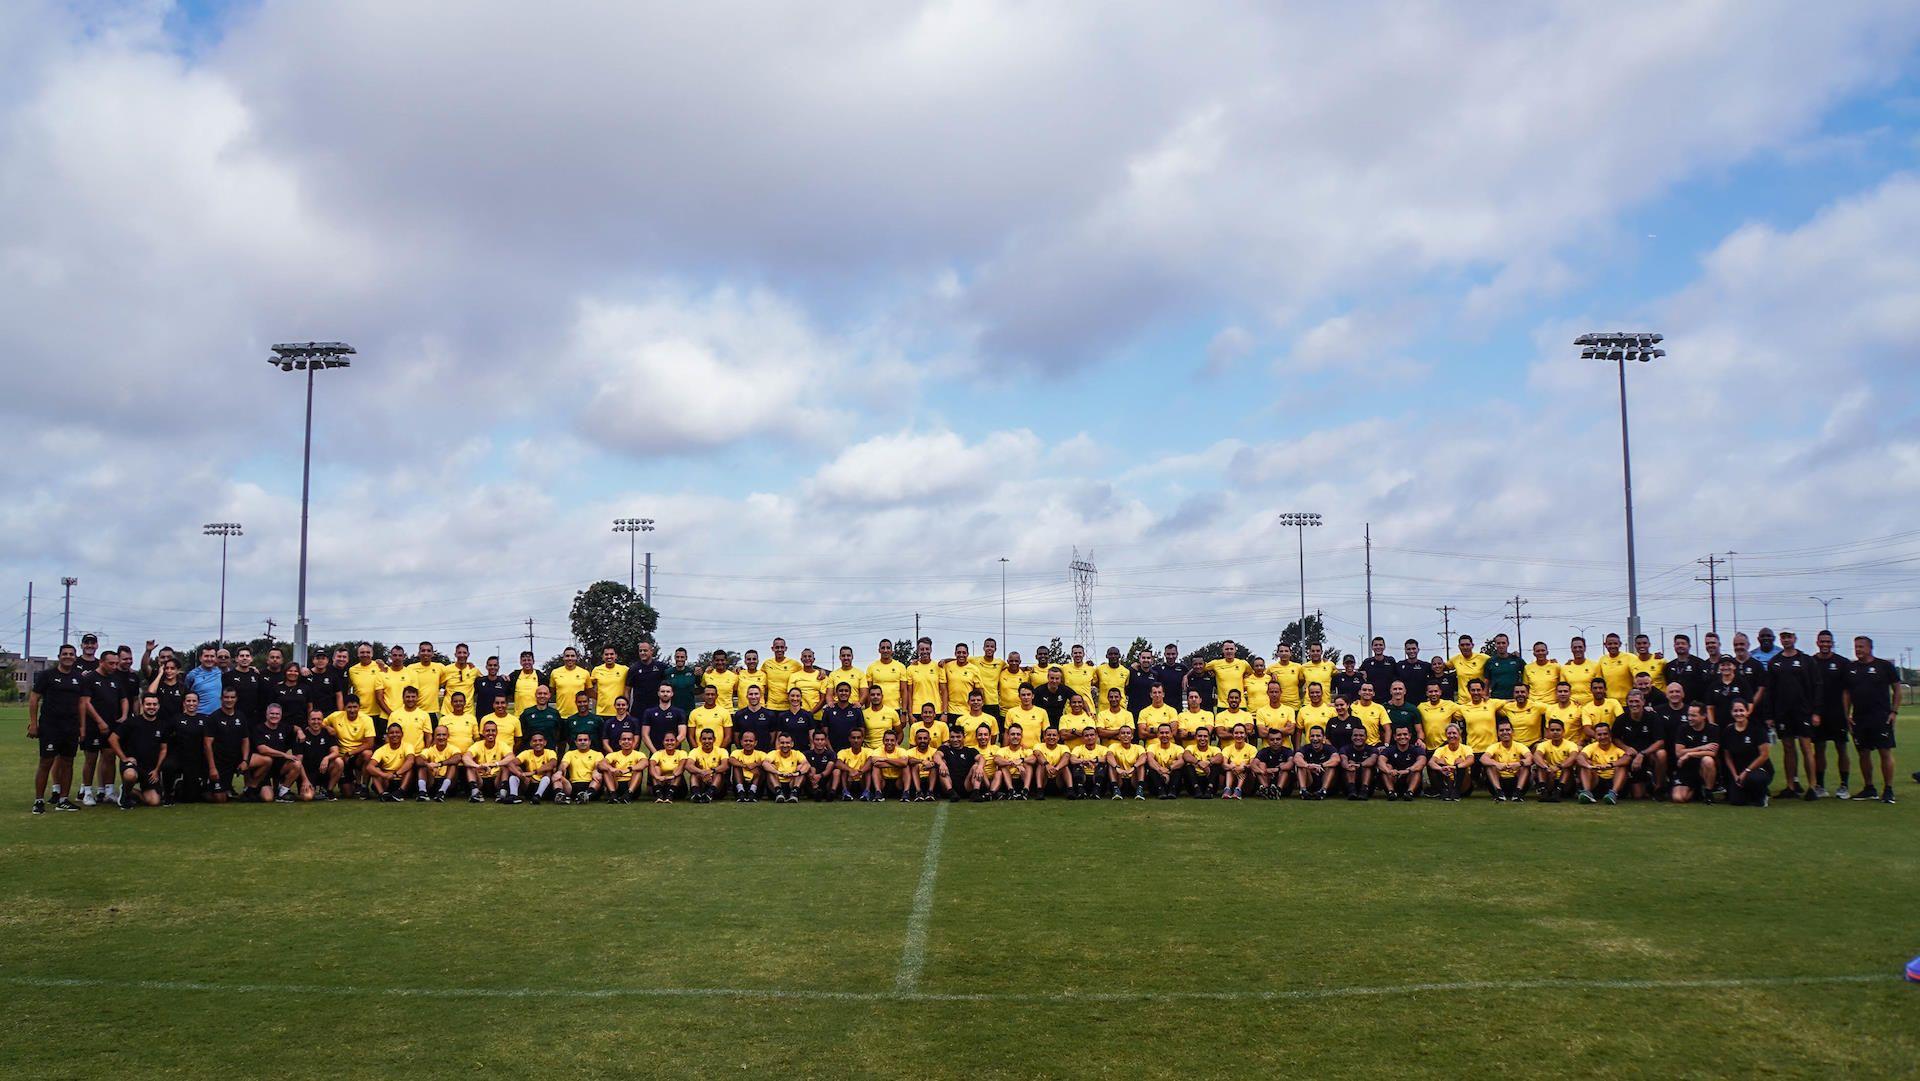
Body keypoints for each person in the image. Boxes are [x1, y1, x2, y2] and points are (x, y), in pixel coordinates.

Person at [29, 643, 87, 813]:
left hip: (71, 727)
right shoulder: (47, 675)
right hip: (50, 726)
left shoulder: (79, 678)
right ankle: (39, 801)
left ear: (75, 657)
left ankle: (63, 799)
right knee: (46, 762)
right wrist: (33, 723)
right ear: (59, 656)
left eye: (71, 654)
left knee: (68, 762)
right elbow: (34, 700)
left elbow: (82, 704)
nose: (68, 656)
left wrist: (82, 727)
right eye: (65, 654)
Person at [1843, 635, 1900, 803]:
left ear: (1870, 648)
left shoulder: (1884, 666)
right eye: (1856, 647)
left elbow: (1897, 689)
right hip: (1860, 718)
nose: (1858, 650)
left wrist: (1894, 712)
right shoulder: (1851, 668)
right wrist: (1847, 714)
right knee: (1863, 753)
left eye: (1861, 646)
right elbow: (1846, 693)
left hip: (1881, 717)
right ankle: (1869, 788)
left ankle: (1888, 789)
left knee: (1885, 752)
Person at [78, 649, 128, 806]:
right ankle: (87, 792)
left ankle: (108, 791)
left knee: (109, 757)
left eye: (116, 663)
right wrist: (99, 721)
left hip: (112, 725)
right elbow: (86, 702)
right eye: (111, 663)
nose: (114, 666)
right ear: (101, 662)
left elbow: (124, 698)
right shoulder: (90, 678)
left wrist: (125, 715)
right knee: (91, 759)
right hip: (94, 726)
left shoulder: (115, 678)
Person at [1809, 630, 1853, 799]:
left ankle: (1844, 785)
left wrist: (1847, 713)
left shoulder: (1842, 662)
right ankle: (1820, 785)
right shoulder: (1811, 662)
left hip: (1838, 714)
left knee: (1841, 748)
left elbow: (1847, 691)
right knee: (1819, 748)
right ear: (1817, 642)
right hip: (1818, 714)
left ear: (1832, 643)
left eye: (1828, 641)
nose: (1825, 644)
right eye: (1822, 641)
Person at [109, 693, 171, 809]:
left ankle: (129, 791)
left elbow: (163, 749)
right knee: (130, 775)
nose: (151, 707)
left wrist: (157, 770)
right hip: (133, 765)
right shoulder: (132, 722)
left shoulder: (162, 725)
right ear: (142, 705)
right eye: (148, 704)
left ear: (158, 706)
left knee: (154, 801)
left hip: (150, 769)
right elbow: (112, 739)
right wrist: (124, 758)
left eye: (154, 704)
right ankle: (126, 796)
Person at [1609, 690, 1667, 799]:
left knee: (1662, 754)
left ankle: (1659, 788)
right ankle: (1648, 781)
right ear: (1627, 703)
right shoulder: (1621, 719)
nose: (1634, 704)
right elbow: (1615, 738)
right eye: (1631, 701)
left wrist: (1642, 754)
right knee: (1638, 795)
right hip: (1631, 757)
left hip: (1649, 755)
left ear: (1643, 702)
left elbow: (1660, 741)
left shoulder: (1652, 717)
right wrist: (1626, 748)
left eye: (1636, 701)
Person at [1720, 700, 1772, 807]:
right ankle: (1751, 793)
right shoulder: (1728, 731)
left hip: (1758, 769)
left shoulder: (1757, 728)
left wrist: (1746, 771)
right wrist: (1734, 775)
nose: (1739, 713)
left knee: (1754, 779)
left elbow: (1764, 755)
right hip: (1739, 772)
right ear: (1731, 713)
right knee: (1736, 801)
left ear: (1747, 712)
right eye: (1735, 711)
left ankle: (1763, 793)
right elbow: (1727, 756)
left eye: (1741, 710)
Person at [205, 688, 251, 801]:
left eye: (232, 697)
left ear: (236, 699)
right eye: (226, 697)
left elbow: (245, 740)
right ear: (221, 699)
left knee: (264, 761)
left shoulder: (241, 716)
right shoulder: (213, 717)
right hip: (219, 762)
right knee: (220, 799)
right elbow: (207, 744)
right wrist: (212, 768)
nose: (229, 700)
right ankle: (205, 790)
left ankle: (250, 790)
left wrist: (245, 760)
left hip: (236, 760)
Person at [1669, 703, 1720, 805]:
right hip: (1686, 768)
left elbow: (1713, 753)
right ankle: (1696, 790)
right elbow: (1679, 752)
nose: (1690, 718)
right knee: (1678, 798)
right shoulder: (1683, 729)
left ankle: (1708, 793)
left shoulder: (1713, 729)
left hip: (1702, 769)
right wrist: (1702, 747)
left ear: (1704, 716)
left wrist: (1689, 754)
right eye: (1689, 715)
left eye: (1694, 715)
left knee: (1708, 760)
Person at [1575, 722, 1629, 805]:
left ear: (1610, 735)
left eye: (1605, 734)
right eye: (1599, 734)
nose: (1603, 737)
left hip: (1613, 780)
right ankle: (1587, 793)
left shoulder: (1616, 747)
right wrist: (1590, 766)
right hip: (1597, 780)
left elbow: (1627, 758)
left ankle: (1613, 794)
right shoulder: (1591, 747)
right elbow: (1580, 757)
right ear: (1595, 736)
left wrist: (1610, 765)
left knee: (1622, 766)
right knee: (1585, 764)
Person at [295, 708, 341, 802]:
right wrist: (305, 780)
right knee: (307, 797)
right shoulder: (302, 736)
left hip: (323, 771)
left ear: (322, 720)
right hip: (307, 774)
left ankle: (328, 790)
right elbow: (298, 762)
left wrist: (326, 758)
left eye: (319, 719)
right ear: (308, 721)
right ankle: (313, 789)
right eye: (313, 719)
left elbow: (336, 752)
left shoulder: (327, 734)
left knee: (339, 762)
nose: (316, 722)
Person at [463, 721, 515, 803]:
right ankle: (475, 793)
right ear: (483, 732)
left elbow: (511, 757)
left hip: (496, 780)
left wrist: (494, 764)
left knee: (506, 765)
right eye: (487, 731)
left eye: (493, 731)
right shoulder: (478, 745)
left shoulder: (502, 744)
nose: (490, 733)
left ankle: (502, 793)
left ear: (497, 732)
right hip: (480, 780)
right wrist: (478, 766)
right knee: (470, 766)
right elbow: (465, 757)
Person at [1531, 718, 1581, 802]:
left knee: (1568, 766)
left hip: (1566, 782)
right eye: (1552, 730)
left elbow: (1573, 757)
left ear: (1563, 731)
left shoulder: (1571, 744)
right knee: (1540, 766)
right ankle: (1543, 791)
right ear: (1548, 732)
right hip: (1550, 777)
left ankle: (1558, 791)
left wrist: (1559, 767)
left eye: (1558, 730)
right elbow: (1537, 755)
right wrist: (1547, 768)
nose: (1555, 732)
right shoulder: (1543, 745)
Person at [1481, 719, 1530, 802]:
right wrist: (1496, 764)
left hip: (1516, 781)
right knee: (1489, 766)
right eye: (1501, 730)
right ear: (1497, 733)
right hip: (1499, 782)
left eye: (1507, 730)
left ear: (1512, 732)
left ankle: (1518, 793)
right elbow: (1483, 758)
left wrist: (1518, 763)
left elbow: (1530, 759)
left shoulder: (1519, 746)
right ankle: (1499, 793)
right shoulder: (1494, 746)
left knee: (1525, 766)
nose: (1505, 732)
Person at [365, 723, 415, 802]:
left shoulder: (408, 746)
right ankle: (382, 794)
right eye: (391, 733)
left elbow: (410, 761)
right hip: (387, 780)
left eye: (397, 732)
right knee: (375, 770)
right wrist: (384, 775)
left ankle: (400, 792)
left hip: (401, 778)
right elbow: (369, 767)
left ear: (402, 734)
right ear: (387, 735)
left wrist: (396, 774)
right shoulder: (381, 750)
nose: (394, 735)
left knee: (410, 769)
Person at [1376, 727, 1426, 801]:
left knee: (1416, 770)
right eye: (1399, 735)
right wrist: (1389, 771)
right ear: (1395, 737)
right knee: (1387, 766)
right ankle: (1391, 792)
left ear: (1410, 736)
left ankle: (1410, 793)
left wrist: (1408, 770)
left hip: (1410, 781)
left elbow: (1422, 761)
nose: (1402, 737)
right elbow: (1380, 761)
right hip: (1394, 780)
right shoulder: (1389, 749)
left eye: (1405, 734)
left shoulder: (1417, 749)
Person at [1427, 724, 1475, 801]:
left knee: (1460, 761)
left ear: (1459, 734)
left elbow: (1471, 760)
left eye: (1454, 733)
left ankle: (1457, 791)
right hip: (1448, 780)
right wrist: (1441, 768)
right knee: (1439, 761)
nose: (1451, 735)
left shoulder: (1466, 748)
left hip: (1464, 784)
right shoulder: (1441, 749)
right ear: (1446, 735)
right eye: (1449, 733)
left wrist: (1456, 767)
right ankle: (1445, 791)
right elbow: (1431, 762)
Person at [415, 725, 462, 802]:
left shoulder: (453, 748)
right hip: (432, 781)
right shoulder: (430, 750)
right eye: (438, 735)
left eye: (444, 735)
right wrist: (428, 765)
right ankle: (422, 792)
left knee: (453, 765)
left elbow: (458, 758)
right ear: (434, 736)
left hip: (448, 782)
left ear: (448, 736)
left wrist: (439, 764)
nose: (441, 737)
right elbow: (418, 760)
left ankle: (442, 792)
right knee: (422, 765)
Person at [510, 732, 559, 804]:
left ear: (545, 743)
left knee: (549, 771)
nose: (537, 743)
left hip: (545, 785)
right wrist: (520, 774)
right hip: (529, 784)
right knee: (516, 769)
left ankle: (538, 796)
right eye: (535, 741)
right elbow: (511, 763)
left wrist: (533, 772)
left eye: (540, 740)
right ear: (531, 743)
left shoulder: (550, 752)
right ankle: (513, 796)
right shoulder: (526, 753)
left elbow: (553, 764)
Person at [598, 730, 647, 804]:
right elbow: (601, 764)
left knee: (638, 770)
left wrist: (629, 769)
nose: (626, 741)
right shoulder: (613, 755)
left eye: (629, 739)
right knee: (606, 769)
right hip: (616, 784)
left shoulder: (639, 754)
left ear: (633, 742)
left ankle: (628, 795)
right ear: (620, 742)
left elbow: (645, 763)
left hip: (631, 784)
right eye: (624, 739)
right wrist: (613, 769)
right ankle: (613, 795)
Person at [683, 730, 730, 804]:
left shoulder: (722, 751)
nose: (707, 741)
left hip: (717, 786)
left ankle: (709, 794)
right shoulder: (695, 751)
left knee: (719, 773)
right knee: (694, 774)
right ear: (700, 739)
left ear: (714, 739)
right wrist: (702, 772)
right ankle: (696, 794)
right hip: (702, 781)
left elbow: (725, 766)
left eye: (710, 739)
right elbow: (688, 765)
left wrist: (711, 771)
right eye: (704, 739)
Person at [1292, 726, 1339, 800]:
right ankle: (1303, 791)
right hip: (1310, 781)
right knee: (1300, 765)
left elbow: (1336, 759)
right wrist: (1308, 766)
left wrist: (1321, 765)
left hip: (1325, 779)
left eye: (1318, 736)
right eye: (1312, 736)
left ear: (1323, 737)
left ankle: (1323, 791)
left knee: (1331, 766)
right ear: (1309, 737)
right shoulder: (1305, 748)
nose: (1315, 739)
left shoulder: (1330, 748)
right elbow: (1296, 758)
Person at [638, 683, 685, 756]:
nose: (665, 694)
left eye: (668, 691)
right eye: (662, 691)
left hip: (674, 754)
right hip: (655, 753)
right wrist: (656, 754)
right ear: (658, 693)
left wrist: (670, 749)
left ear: (672, 694)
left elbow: (682, 734)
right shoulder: (649, 712)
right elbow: (645, 735)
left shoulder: (679, 712)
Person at [558, 732, 606, 804]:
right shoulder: (570, 754)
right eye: (580, 740)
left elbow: (598, 765)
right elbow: (564, 764)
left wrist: (596, 770)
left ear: (589, 742)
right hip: (573, 785)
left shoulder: (597, 754)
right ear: (576, 742)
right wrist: (561, 770)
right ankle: (559, 796)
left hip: (590, 784)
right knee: (556, 776)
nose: (582, 742)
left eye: (585, 740)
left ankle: (586, 796)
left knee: (599, 776)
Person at [903, 728, 949, 802]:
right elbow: (907, 761)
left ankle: (930, 792)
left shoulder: (935, 751)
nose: (922, 741)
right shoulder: (909, 752)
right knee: (915, 765)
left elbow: (942, 760)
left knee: (934, 766)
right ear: (915, 740)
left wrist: (931, 764)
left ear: (929, 739)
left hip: (931, 780)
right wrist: (922, 761)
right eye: (920, 738)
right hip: (915, 781)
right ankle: (918, 792)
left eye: (925, 738)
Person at [940, 728, 982, 804]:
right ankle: (951, 793)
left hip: (966, 785)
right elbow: (937, 755)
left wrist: (980, 767)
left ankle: (976, 793)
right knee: (941, 762)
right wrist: (942, 764)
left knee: (976, 766)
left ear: (964, 737)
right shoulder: (945, 749)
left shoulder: (970, 750)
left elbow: (981, 758)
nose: (955, 739)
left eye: (958, 737)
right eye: (952, 737)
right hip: (949, 785)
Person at [647, 731, 690, 803]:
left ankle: (669, 796)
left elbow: (681, 768)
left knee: (677, 770)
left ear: (676, 742)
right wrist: (658, 777)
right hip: (662, 784)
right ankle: (659, 795)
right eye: (667, 740)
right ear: (663, 742)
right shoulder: (658, 753)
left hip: (677, 787)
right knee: (656, 768)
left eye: (672, 740)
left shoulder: (682, 753)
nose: (669, 742)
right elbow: (651, 766)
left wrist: (671, 777)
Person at [1144, 724, 1185, 799]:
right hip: (1157, 783)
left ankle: (1172, 791)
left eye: (1167, 732)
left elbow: (1182, 761)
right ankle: (1161, 791)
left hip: (1173, 782)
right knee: (1152, 770)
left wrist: (1168, 769)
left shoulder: (1178, 748)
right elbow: (1150, 759)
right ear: (1157, 735)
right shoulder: (1152, 747)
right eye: (1162, 733)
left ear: (1171, 734)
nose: (1164, 735)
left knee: (1178, 769)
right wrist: (1161, 771)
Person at [1251, 727, 1294, 799]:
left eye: (1278, 739)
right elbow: (1253, 764)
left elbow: (1291, 763)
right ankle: (1266, 789)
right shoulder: (1264, 751)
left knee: (1284, 766)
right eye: (1272, 739)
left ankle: (1278, 790)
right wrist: (1263, 771)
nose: (1275, 742)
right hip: (1268, 779)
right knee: (1261, 764)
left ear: (1282, 740)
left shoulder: (1287, 751)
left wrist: (1277, 769)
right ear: (1268, 741)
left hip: (1284, 785)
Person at [1218, 723, 1257, 800]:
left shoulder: (1252, 748)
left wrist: (1242, 768)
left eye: (1242, 733)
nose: (1239, 735)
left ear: (1246, 735)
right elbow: (1224, 764)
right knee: (1231, 764)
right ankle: (1228, 789)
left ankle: (1238, 789)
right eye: (1236, 733)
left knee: (1243, 765)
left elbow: (1252, 765)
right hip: (1231, 777)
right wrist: (1233, 767)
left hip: (1247, 781)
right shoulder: (1227, 749)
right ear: (1232, 735)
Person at [834, 728, 874, 802]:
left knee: (868, 769)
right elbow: (838, 763)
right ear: (849, 739)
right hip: (849, 780)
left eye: (858, 738)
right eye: (853, 738)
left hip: (862, 780)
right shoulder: (843, 752)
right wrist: (850, 770)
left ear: (862, 739)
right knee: (843, 769)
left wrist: (860, 772)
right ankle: (845, 792)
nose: (856, 740)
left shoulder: (868, 751)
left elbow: (870, 761)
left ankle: (867, 792)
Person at [1066, 726, 1107, 800]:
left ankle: (1096, 791)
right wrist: (1084, 761)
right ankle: (1081, 791)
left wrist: (1095, 760)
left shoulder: (1103, 748)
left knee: (1102, 765)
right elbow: (1072, 759)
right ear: (1082, 738)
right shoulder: (1078, 748)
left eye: (1092, 735)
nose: (1089, 737)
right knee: (1076, 765)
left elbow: (1106, 759)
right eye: (1086, 735)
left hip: (1098, 779)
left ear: (1096, 736)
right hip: (1082, 778)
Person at [1335, 725, 1374, 800]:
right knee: (1350, 764)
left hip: (1368, 786)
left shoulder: (1371, 749)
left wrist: (1359, 765)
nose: (1358, 738)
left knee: (1367, 766)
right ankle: (1352, 790)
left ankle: (1364, 790)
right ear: (1351, 737)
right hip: (1348, 785)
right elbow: (1343, 761)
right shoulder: (1345, 748)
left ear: (1366, 737)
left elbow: (1373, 760)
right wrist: (1349, 765)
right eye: (1355, 735)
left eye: (1361, 735)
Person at [687, 684, 731, 750]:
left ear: (717, 696)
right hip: (700, 753)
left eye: (712, 694)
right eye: (707, 694)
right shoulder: (694, 713)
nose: (710, 697)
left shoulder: (724, 712)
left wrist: (719, 751)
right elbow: (691, 736)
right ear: (703, 696)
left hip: (719, 753)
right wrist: (697, 751)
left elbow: (728, 736)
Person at [729, 731, 768, 803]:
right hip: (740, 783)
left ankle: (752, 792)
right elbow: (731, 760)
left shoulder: (761, 754)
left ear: (755, 743)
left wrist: (755, 764)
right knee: (736, 767)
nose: (748, 743)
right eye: (746, 741)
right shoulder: (737, 752)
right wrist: (745, 766)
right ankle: (741, 792)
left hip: (756, 784)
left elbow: (767, 761)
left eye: (751, 741)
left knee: (759, 767)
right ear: (741, 742)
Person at [799, 729, 837, 802]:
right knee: (811, 769)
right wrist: (812, 775)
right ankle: (815, 791)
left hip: (826, 782)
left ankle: (833, 792)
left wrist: (820, 776)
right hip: (811, 783)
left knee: (836, 771)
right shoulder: (806, 754)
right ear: (813, 741)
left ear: (825, 741)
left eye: (822, 740)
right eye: (817, 739)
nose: (820, 742)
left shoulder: (831, 754)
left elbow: (829, 769)